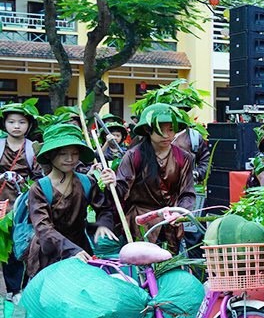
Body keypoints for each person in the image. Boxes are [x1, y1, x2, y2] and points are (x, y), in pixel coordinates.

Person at [23, 124, 116, 280]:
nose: (70, 159)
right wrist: (70, 250)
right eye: (62, 154)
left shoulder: (87, 182)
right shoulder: (39, 188)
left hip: (81, 248)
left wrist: (103, 224)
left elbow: (105, 208)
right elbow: (43, 228)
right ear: (50, 156)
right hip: (50, 251)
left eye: (74, 153)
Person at [105, 103, 197, 245]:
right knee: (142, 266)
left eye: (171, 130)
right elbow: (120, 192)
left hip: (171, 223)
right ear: (148, 130)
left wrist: (180, 212)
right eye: (161, 130)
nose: (167, 135)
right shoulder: (133, 156)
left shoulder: (184, 158)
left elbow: (187, 193)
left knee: (169, 264)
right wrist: (112, 183)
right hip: (141, 223)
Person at [0, 101, 43, 294]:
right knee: (5, 247)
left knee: (22, 244)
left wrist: (25, 184)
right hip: (1, 203)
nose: (16, 126)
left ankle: (20, 288)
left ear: (29, 125)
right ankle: (11, 289)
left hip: (23, 206)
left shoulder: (32, 148)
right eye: (11, 122)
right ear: (5, 124)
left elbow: (40, 177)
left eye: (21, 122)